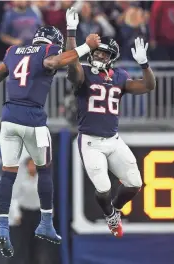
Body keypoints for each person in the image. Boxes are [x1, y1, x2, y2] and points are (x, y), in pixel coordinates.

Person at [0, 25, 100, 257]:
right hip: (33, 119)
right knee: (45, 169)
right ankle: (46, 222)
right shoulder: (47, 52)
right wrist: (87, 47)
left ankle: (2, 225)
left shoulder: (14, 52)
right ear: (51, 43)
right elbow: (54, 63)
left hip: (8, 120)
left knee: (8, 173)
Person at [66, 7, 156, 237]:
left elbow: (148, 86)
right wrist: (71, 33)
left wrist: (145, 65)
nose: (99, 55)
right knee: (104, 188)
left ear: (112, 57)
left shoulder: (120, 76)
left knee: (135, 183)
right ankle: (110, 217)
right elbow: (71, 64)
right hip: (90, 141)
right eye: (97, 52)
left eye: (104, 53)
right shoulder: (83, 73)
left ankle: (115, 209)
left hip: (113, 140)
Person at [9, 157, 52, 264]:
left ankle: (37, 261)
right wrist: (16, 214)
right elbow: (14, 197)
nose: (32, 167)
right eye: (30, 164)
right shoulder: (21, 179)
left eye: (34, 164)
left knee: (38, 242)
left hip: (38, 214)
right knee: (24, 241)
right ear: (26, 166)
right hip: (25, 213)